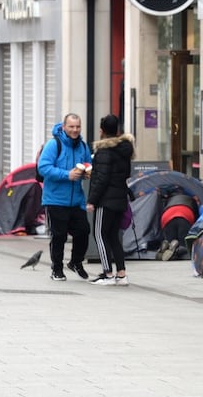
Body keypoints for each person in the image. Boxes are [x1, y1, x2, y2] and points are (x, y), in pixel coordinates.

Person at [38, 113, 94, 282]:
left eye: (77, 127)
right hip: (55, 199)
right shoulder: (54, 144)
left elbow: (86, 165)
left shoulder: (83, 146)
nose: (75, 130)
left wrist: (86, 173)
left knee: (83, 231)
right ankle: (57, 268)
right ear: (64, 127)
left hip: (76, 199)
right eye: (71, 127)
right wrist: (66, 174)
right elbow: (43, 167)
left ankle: (76, 262)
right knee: (59, 235)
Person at [87, 115, 135, 286]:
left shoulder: (104, 152)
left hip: (105, 200)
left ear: (101, 131)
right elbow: (125, 174)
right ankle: (121, 274)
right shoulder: (124, 150)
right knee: (113, 236)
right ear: (117, 130)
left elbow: (102, 178)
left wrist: (92, 200)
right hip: (120, 198)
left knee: (99, 234)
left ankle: (107, 274)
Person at [156, 191, 198, 261]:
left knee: (170, 240)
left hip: (167, 216)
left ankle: (167, 246)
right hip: (184, 214)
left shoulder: (169, 200)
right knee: (183, 243)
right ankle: (178, 250)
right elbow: (197, 220)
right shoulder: (191, 200)